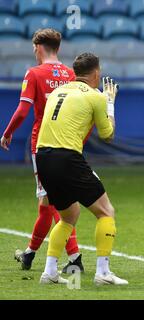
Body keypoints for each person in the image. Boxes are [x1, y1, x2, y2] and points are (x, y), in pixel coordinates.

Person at [35, 52, 127, 285]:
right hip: (67, 158)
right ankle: (103, 273)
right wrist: (110, 103)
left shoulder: (57, 91)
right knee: (106, 211)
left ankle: (50, 271)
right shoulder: (95, 96)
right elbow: (108, 135)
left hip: (42, 157)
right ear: (96, 73)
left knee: (69, 216)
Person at [0, 28, 83, 273]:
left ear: (39, 47)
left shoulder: (34, 73)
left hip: (44, 145)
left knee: (56, 203)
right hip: (68, 144)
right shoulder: (70, 74)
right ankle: (29, 253)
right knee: (48, 204)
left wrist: (7, 133)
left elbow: (23, 110)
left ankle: (74, 255)